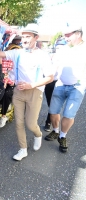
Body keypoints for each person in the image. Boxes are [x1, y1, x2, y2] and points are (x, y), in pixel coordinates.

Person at [0, 24, 54, 161]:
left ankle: (37, 134)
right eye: (23, 36)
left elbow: (49, 77)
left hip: (34, 91)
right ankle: (23, 149)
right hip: (19, 90)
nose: (25, 39)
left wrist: (31, 84)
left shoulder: (43, 56)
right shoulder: (18, 53)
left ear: (36, 37)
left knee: (30, 124)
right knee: (19, 123)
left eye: (28, 36)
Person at [44, 25, 86, 153]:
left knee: (69, 114)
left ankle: (62, 136)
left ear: (78, 34)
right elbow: (55, 65)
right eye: (65, 35)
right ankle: (56, 131)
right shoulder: (62, 49)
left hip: (77, 87)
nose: (65, 37)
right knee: (53, 111)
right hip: (61, 84)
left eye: (68, 35)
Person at [0, 39, 22, 128]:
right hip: (4, 80)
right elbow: (3, 72)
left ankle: (3, 115)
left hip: (13, 83)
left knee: (7, 93)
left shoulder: (20, 63)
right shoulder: (5, 61)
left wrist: (11, 81)